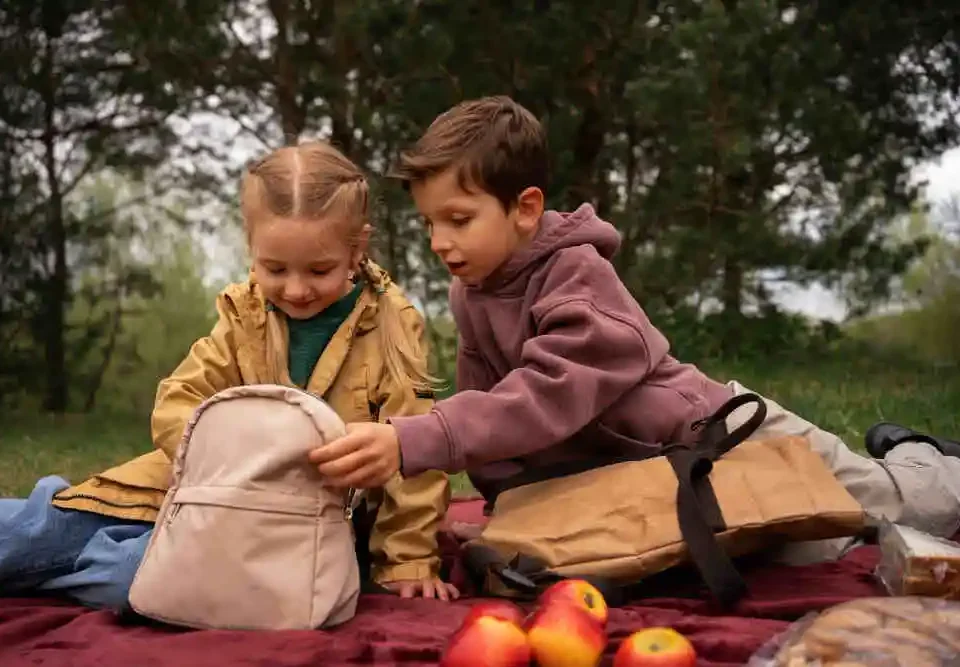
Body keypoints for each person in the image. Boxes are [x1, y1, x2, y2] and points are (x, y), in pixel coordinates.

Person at [310, 95, 960, 563]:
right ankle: (902, 449)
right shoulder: (470, 290)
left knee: (900, 508)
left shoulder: (576, 272)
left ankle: (923, 458)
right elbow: (494, 431)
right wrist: (512, 516)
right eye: (428, 224)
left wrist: (418, 438)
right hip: (654, 478)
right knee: (804, 552)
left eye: (457, 218)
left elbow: (547, 395)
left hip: (724, 437)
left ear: (525, 208)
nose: (440, 241)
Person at [0, 140, 458, 611]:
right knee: (38, 529)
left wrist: (408, 560)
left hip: (299, 532)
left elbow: (415, 451)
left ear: (357, 246)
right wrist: (234, 464)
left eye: (319, 270)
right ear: (251, 245)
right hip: (188, 494)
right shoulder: (244, 312)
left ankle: (85, 562)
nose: (296, 290)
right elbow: (178, 402)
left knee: (135, 578)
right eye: (274, 268)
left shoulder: (393, 325)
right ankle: (71, 538)